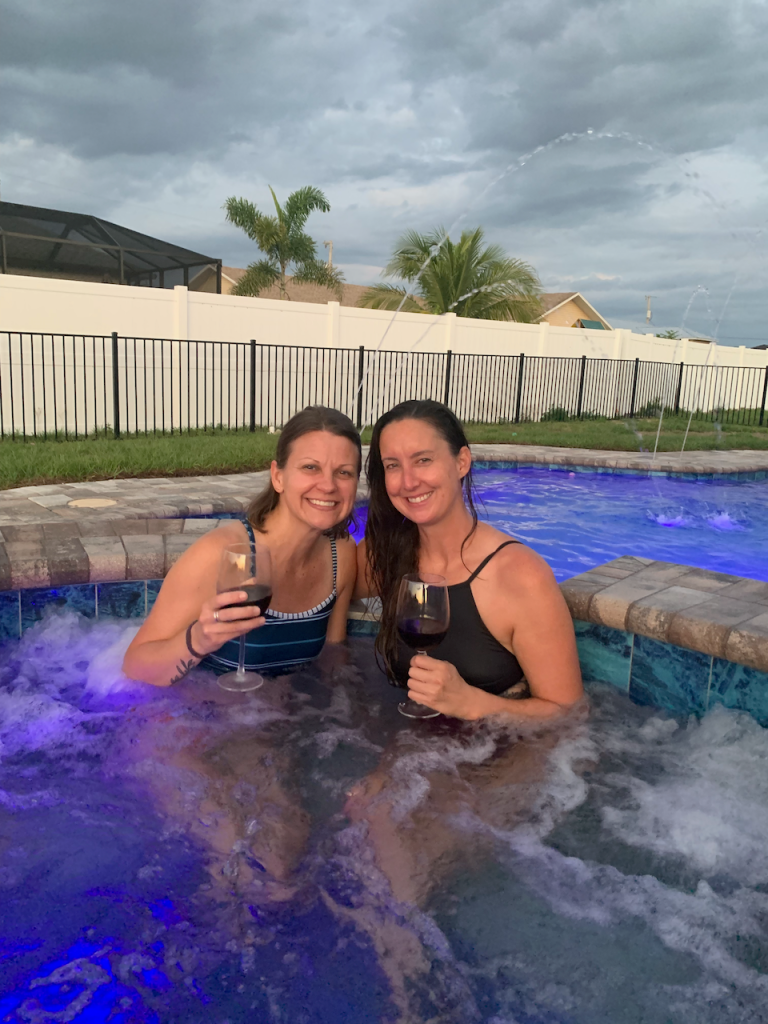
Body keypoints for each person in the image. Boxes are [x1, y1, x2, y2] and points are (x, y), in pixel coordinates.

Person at [355, 399, 583, 719]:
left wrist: (473, 703)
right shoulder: (386, 554)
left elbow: (569, 713)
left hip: (497, 746)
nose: (408, 482)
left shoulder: (520, 575)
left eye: (423, 460)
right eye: (393, 465)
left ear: (461, 462)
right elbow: (322, 582)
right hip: (409, 742)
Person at [124, 405, 360, 686]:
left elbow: (334, 654)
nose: (328, 485)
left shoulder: (341, 555)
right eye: (311, 467)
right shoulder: (219, 553)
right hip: (204, 709)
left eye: (344, 473)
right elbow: (134, 666)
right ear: (278, 476)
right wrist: (198, 640)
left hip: (292, 707)